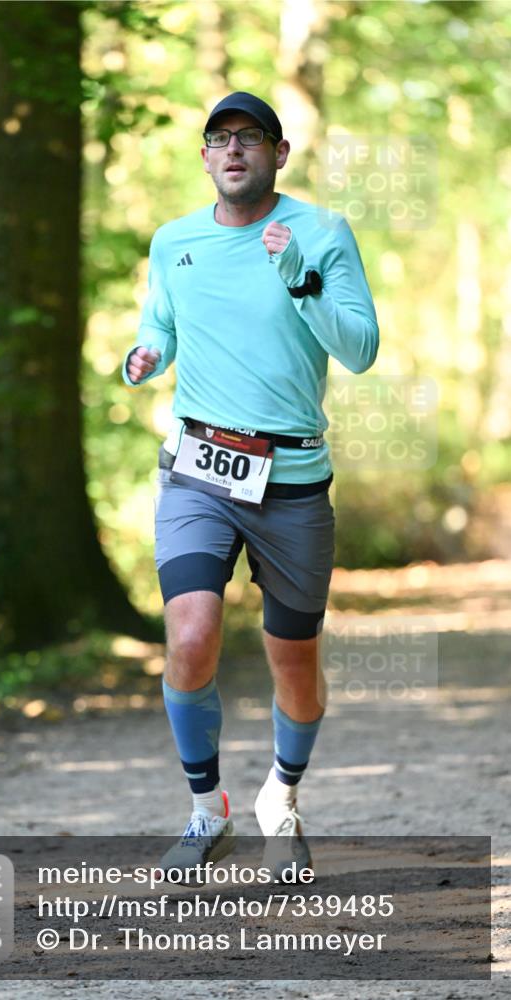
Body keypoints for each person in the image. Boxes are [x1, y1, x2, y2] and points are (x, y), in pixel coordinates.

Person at [122, 92, 378, 879]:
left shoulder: (321, 233)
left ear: (278, 152)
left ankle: (282, 796)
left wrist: (299, 280)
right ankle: (206, 811)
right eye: (219, 139)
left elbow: (361, 347)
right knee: (191, 638)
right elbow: (161, 325)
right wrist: (144, 355)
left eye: (249, 138)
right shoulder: (174, 241)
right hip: (197, 468)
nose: (233, 150)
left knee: (292, 661)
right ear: (204, 157)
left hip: (293, 476)